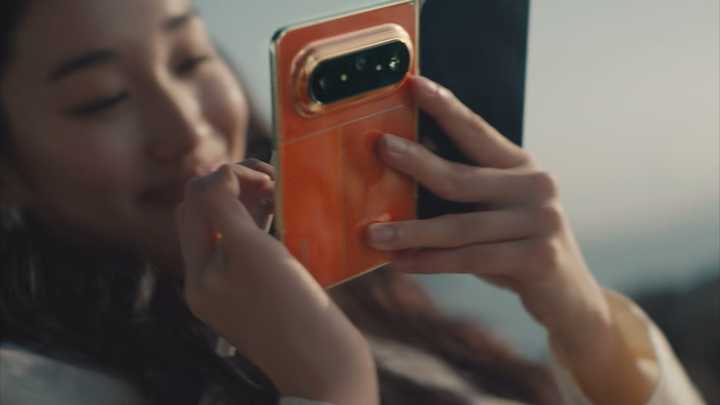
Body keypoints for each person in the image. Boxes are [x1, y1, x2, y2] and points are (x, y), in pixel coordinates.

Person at [0, 1, 705, 404]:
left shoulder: (363, 297)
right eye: (102, 99)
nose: (186, 127)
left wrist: (580, 317)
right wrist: (329, 388)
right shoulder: (41, 385)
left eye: (188, 59)